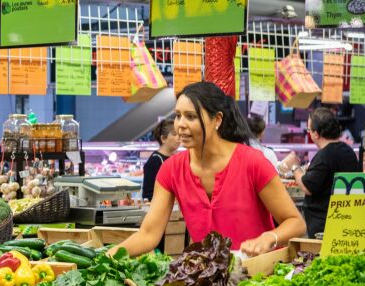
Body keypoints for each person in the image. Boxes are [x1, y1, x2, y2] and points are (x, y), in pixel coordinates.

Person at [110, 82, 306, 258]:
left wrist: (269, 237)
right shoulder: (170, 170)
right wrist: (108, 257)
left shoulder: (252, 162)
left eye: (191, 117)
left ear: (217, 120)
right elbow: (148, 234)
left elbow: (296, 222)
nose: (181, 125)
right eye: (178, 115)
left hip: (259, 277)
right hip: (209, 280)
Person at [290, 108, 361, 238]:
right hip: (344, 220)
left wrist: (295, 166)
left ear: (316, 134)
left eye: (309, 130)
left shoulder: (324, 155)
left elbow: (307, 187)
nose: (309, 133)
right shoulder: (348, 151)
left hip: (322, 225)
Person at [142, 119, 179, 202]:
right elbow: (148, 195)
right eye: (174, 134)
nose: (178, 137)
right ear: (163, 138)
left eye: (179, 134)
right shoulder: (155, 161)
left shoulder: (176, 158)